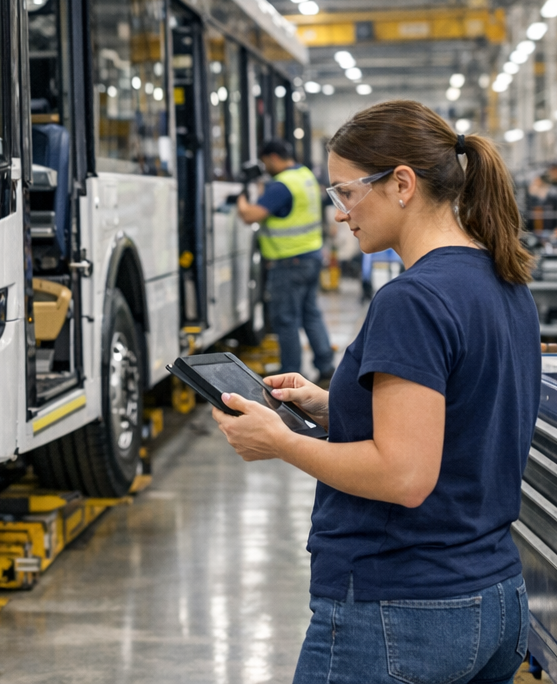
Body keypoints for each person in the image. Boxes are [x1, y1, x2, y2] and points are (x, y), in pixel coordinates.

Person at [213, 100, 540, 684]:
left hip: (401, 612)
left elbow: (404, 476)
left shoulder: (411, 300)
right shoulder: (502, 280)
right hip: (493, 600)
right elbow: (461, 423)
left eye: (345, 193)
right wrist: (332, 404)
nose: (339, 214)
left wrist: (279, 443)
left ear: (402, 184)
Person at [236, 139, 335, 380]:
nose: (265, 167)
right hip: (311, 256)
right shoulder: (305, 175)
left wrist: (239, 195)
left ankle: (290, 373)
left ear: (272, 158)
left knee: (286, 319)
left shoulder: (281, 185)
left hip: (289, 262)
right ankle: (325, 365)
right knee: (310, 313)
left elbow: (251, 215)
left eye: (265, 162)